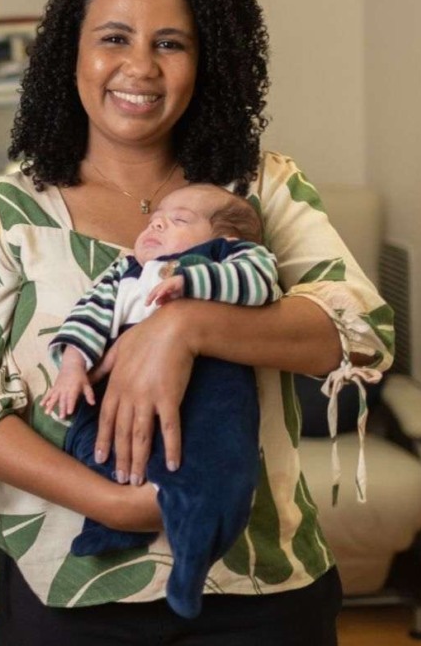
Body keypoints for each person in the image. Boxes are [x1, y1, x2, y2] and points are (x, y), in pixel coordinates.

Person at [0, 0, 393, 645]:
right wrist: (115, 505)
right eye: (114, 38)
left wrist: (186, 326)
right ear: (69, 56)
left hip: (259, 584)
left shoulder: (259, 191)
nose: (140, 66)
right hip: (69, 592)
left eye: (169, 44)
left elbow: (360, 333)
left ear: (208, 63)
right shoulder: (5, 217)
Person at [43, 184, 280, 619]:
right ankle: (112, 526)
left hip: (209, 381)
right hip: (118, 390)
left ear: (225, 238)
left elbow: (262, 283)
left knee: (216, 464)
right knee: (83, 438)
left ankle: (192, 560)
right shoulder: (125, 272)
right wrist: (72, 365)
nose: (157, 222)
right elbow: (88, 314)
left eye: (180, 219)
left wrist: (189, 284)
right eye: (157, 216)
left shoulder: (224, 259)